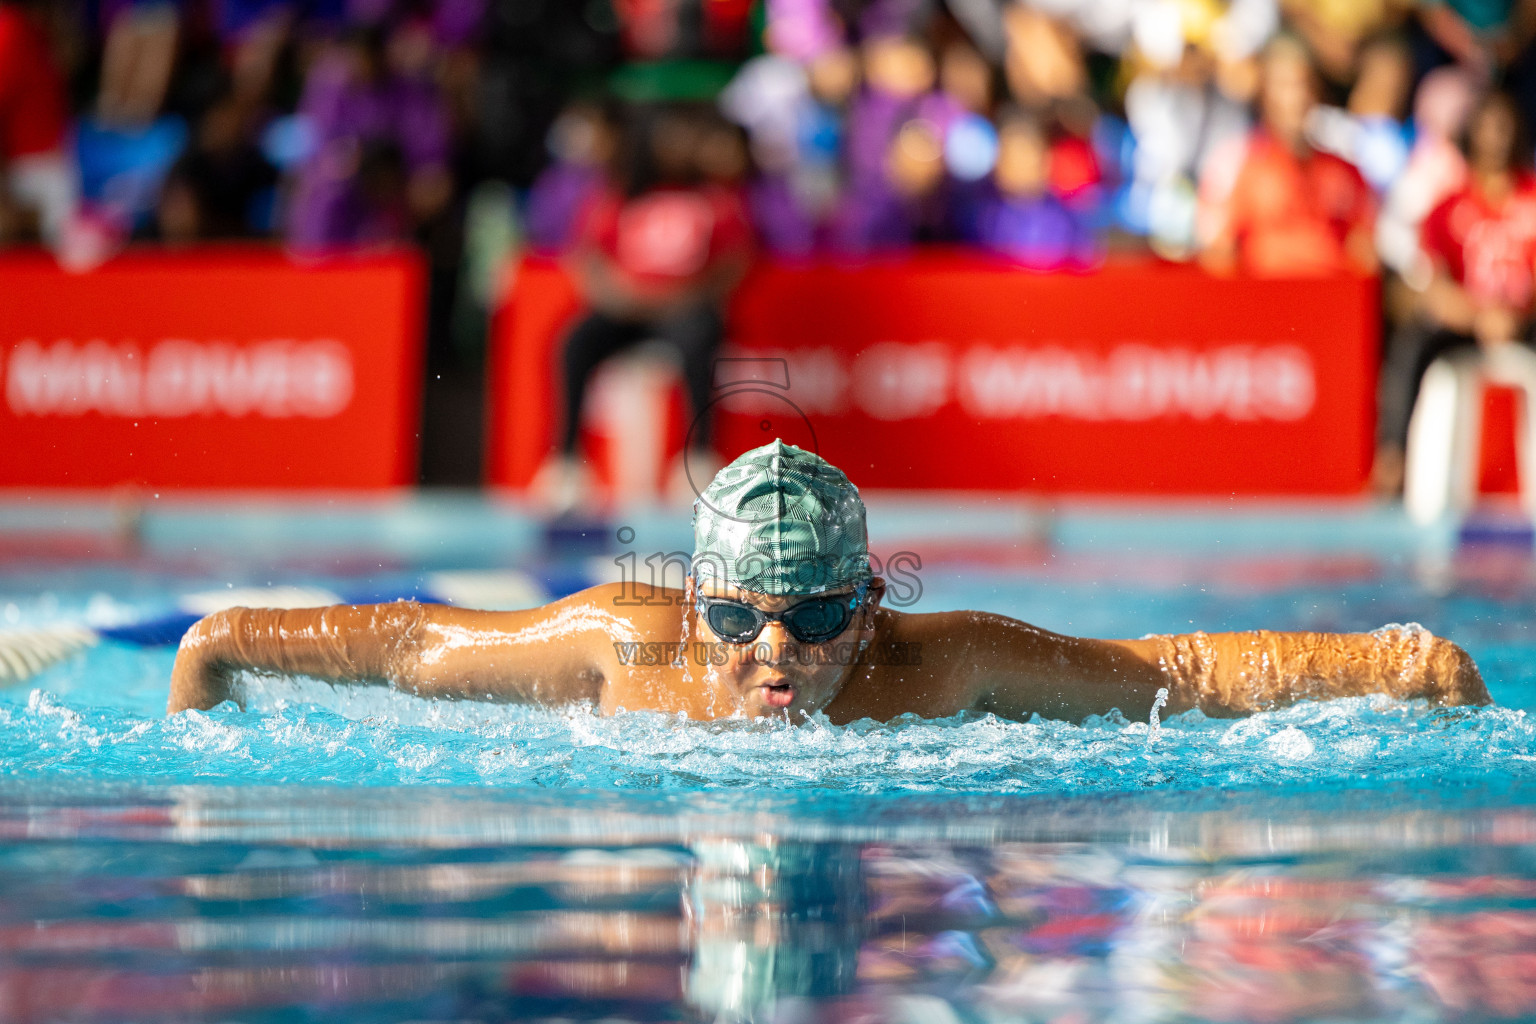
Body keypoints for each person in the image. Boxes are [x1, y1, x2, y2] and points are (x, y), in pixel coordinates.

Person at [168, 441, 1489, 720]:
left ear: (868, 612)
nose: (770, 653)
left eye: (808, 620)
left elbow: (1173, 674)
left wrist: (1385, 662)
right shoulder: (627, 651)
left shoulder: (941, 666)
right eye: (740, 617)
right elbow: (413, 645)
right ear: (698, 606)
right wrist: (224, 640)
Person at [1374, 90, 1536, 490]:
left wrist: (1515, 317)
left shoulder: (1532, 197)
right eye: (1488, 127)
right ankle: (1393, 460)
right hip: (1468, 321)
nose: (1496, 138)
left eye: (1504, 127)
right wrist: (1482, 316)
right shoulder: (1448, 207)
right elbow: (1433, 288)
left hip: (1525, 319)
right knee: (1413, 345)